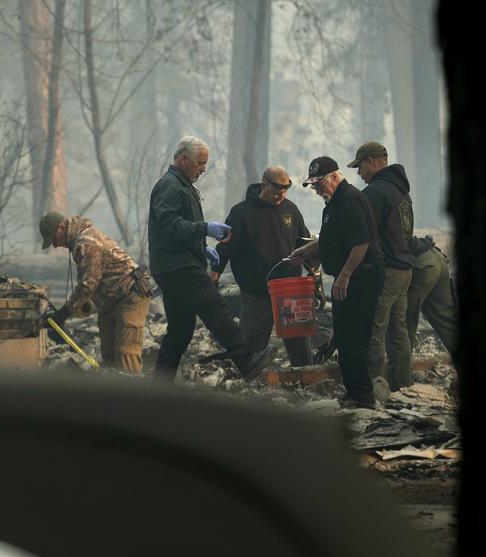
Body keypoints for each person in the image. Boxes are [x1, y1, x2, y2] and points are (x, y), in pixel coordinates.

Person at [147, 136, 277, 382]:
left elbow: (180, 226)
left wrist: (201, 246)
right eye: (199, 163)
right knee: (213, 305)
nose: (203, 169)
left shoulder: (181, 185)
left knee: (180, 331)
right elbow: (169, 225)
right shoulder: (171, 187)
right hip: (178, 265)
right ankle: (245, 359)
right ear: (183, 159)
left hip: (173, 264)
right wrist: (204, 229)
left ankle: (159, 387)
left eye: (205, 163)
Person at [289, 156, 384, 408]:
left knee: (354, 338)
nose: (317, 189)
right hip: (350, 277)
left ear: (334, 176)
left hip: (361, 277)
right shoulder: (333, 203)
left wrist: (344, 275)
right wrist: (307, 249)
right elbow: (332, 238)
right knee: (343, 335)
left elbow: (360, 242)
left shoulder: (350, 200)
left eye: (319, 183)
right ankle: (353, 392)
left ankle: (363, 396)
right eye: (313, 185)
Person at [212, 166, 313, 366]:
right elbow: (225, 247)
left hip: (290, 289)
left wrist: (312, 269)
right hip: (258, 291)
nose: (280, 197)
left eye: (284, 193)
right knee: (250, 345)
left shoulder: (290, 209)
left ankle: (305, 379)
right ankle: (242, 382)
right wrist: (215, 272)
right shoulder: (241, 213)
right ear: (264, 184)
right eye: (276, 192)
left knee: (300, 345)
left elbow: (304, 242)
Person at [40, 212, 153, 374]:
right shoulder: (81, 241)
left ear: (62, 227)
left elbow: (88, 285)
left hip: (130, 295)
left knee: (126, 355)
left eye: (53, 239)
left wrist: (63, 313)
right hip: (109, 299)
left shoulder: (86, 243)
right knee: (108, 355)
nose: (55, 246)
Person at [349, 141, 414, 392]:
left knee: (375, 328)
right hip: (404, 269)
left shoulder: (375, 192)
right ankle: (403, 385)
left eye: (360, 166)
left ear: (371, 162)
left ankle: (375, 386)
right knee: (399, 331)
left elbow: (362, 234)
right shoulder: (401, 191)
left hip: (386, 272)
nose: (358, 173)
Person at [405, 236, 458, 355]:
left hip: (423, 264)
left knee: (403, 323)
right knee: (448, 321)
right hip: (437, 257)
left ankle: (401, 372)